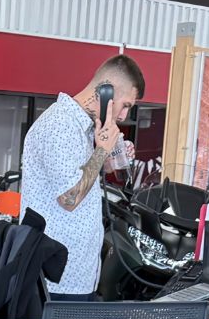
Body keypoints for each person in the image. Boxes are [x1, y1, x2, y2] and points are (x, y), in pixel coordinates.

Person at [19, 54, 144, 300]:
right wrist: (101, 151)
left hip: (77, 276)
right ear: (106, 92)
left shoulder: (84, 128)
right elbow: (69, 198)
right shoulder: (60, 125)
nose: (123, 115)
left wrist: (108, 156)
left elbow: (85, 176)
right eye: (126, 105)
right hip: (56, 281)